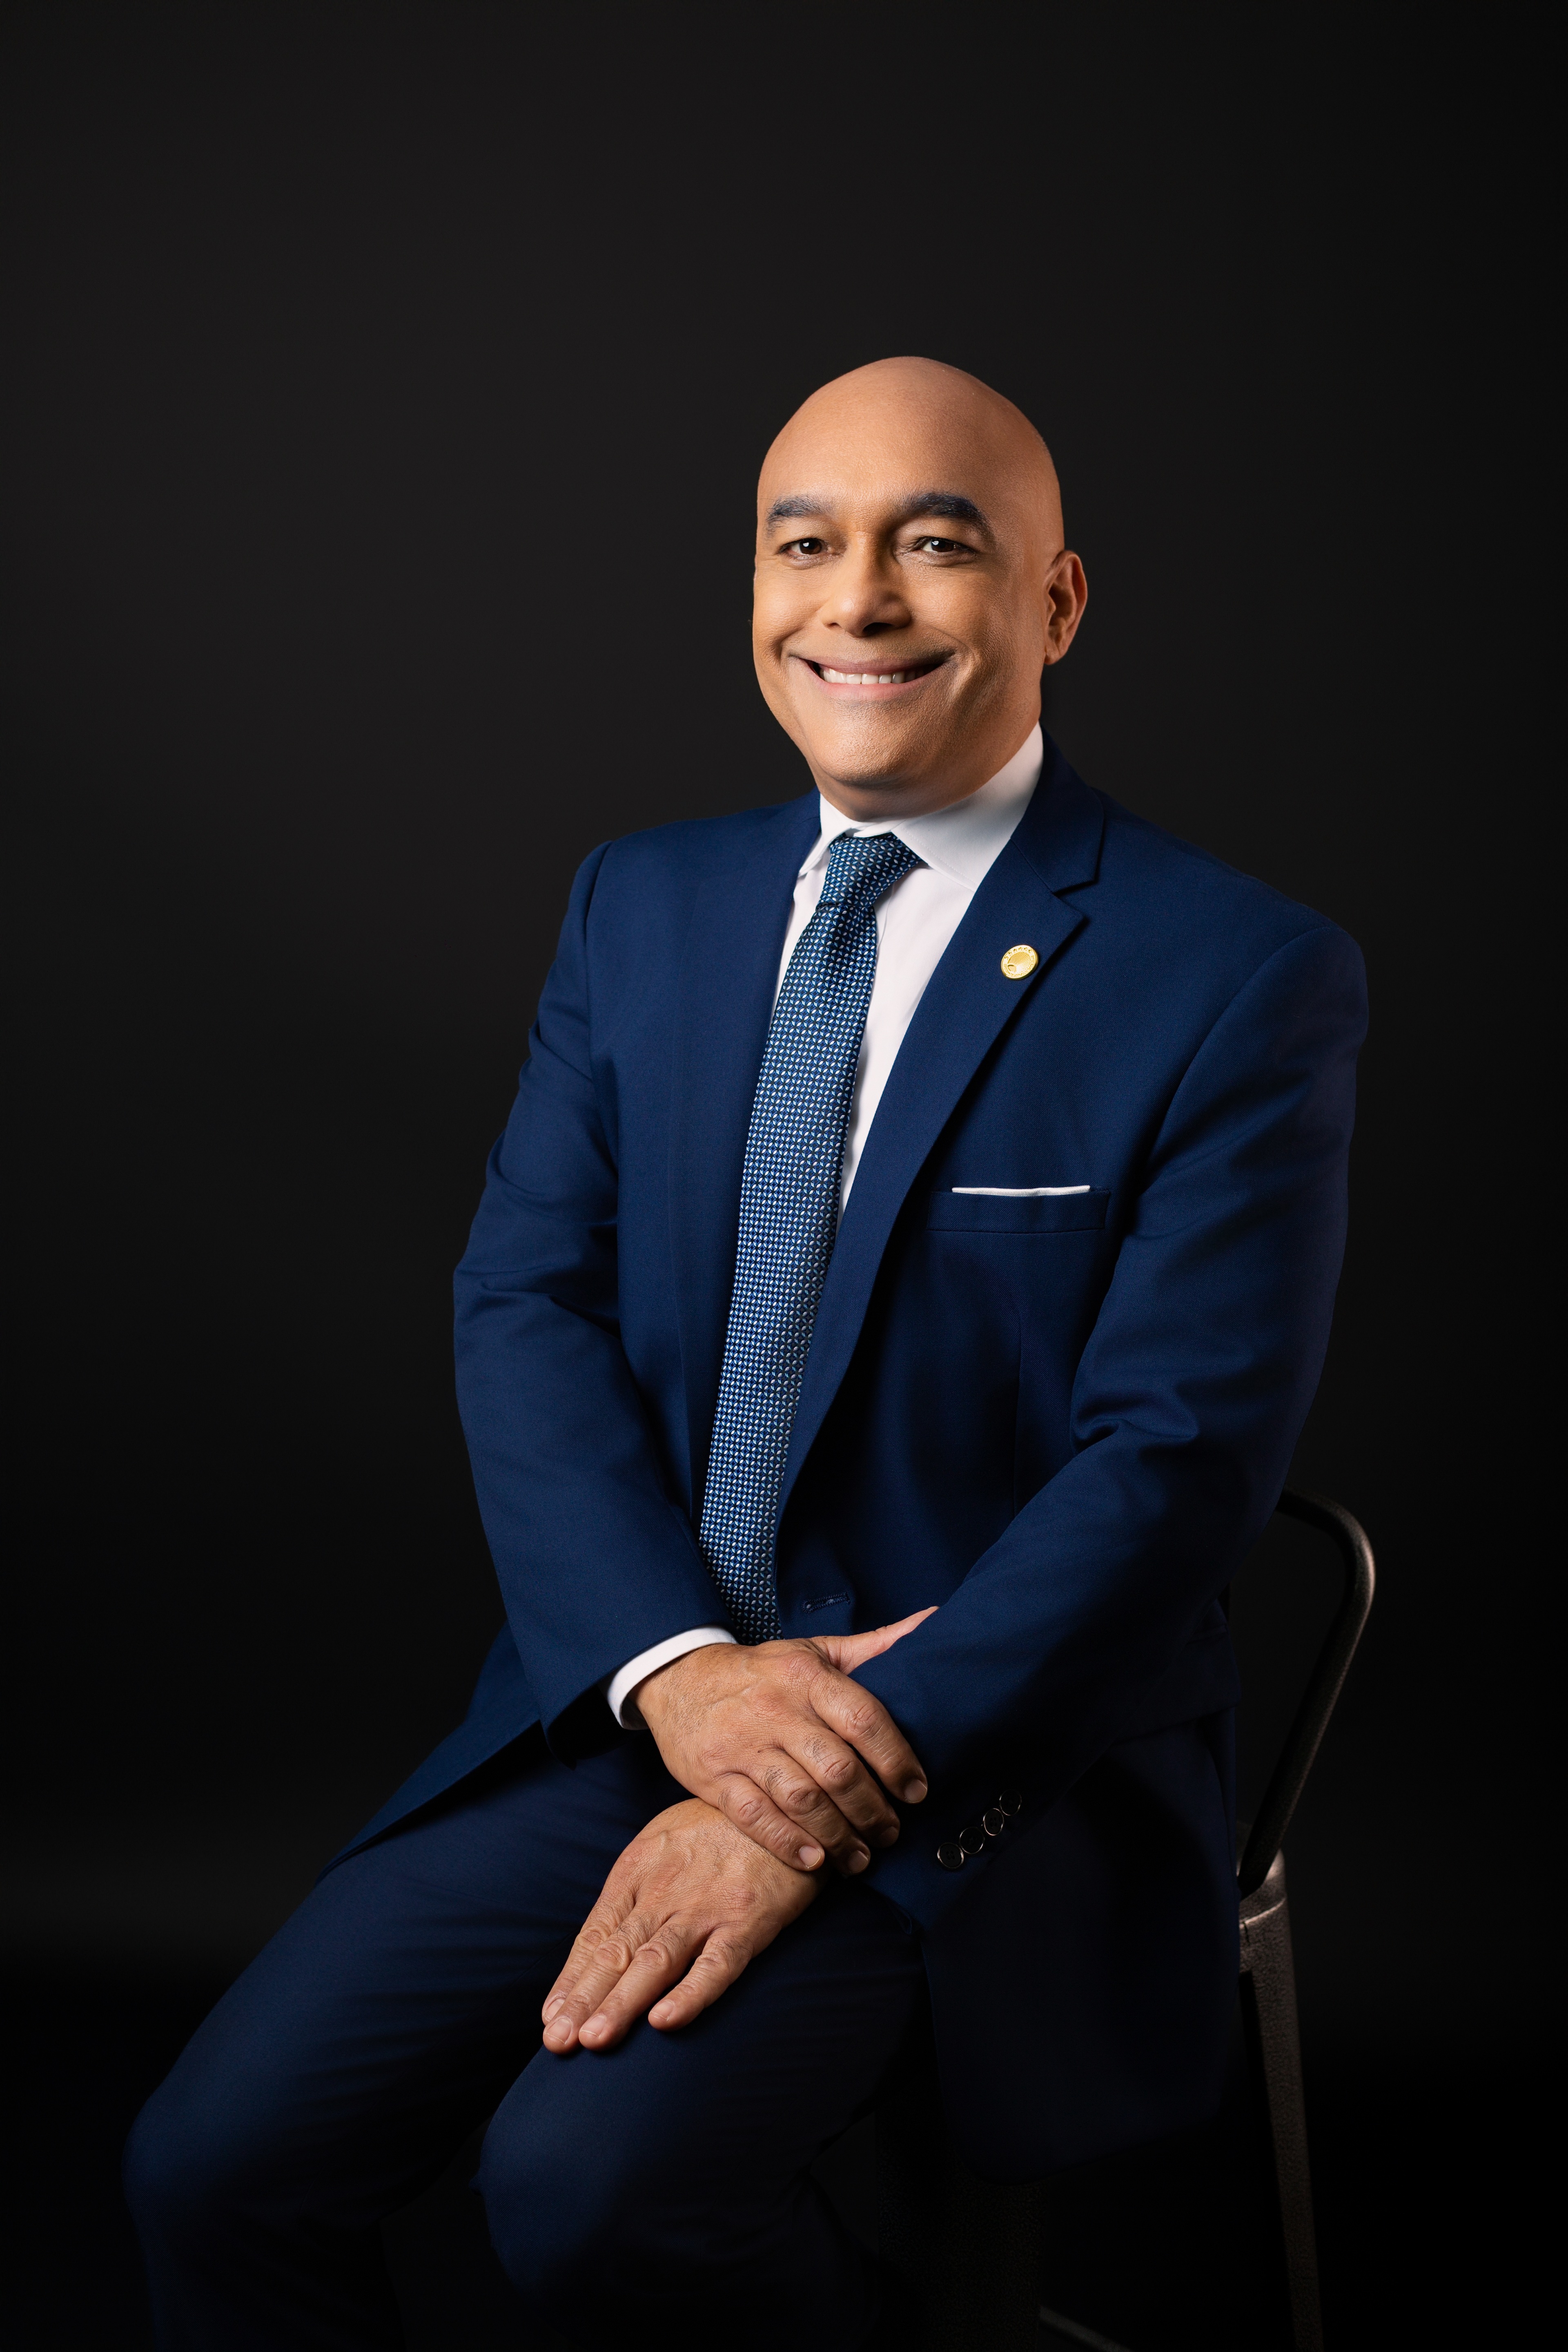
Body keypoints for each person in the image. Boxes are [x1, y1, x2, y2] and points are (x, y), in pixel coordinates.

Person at [125, 357, 1366, 2349]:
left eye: (934, 544)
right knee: (212, 2170)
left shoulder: (1236, 972)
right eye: (807, 545)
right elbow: (524, 1303)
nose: (856, 600)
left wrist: (809, 1783)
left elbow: (1178, 1464)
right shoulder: (644, 903)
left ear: (1054, 602)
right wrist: (685, 1681)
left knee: (587, 2199)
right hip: (649, 1695)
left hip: (996, 1755)